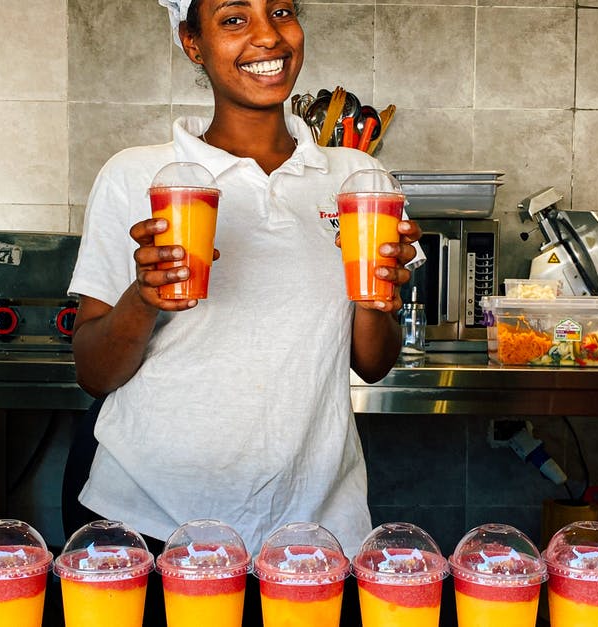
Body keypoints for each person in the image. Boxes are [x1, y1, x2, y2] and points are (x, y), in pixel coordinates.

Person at [63, 0, 421, 622]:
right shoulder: (138, 174)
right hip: (153, 521)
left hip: (313, 526)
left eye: (280, 10)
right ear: (192, 43)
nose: (266, 35)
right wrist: (143, 296)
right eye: (233, 18)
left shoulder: (356, 177)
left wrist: (376, 299)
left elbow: (373, 363)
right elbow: (93, 372)